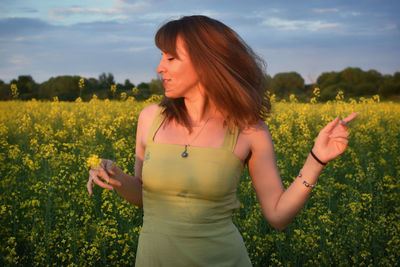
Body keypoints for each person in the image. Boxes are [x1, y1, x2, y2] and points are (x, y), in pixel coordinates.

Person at [87, 15, 358, 266]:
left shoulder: (249, 131)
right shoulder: (150, 119)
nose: (160, 68)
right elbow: (145, 197)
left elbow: (278, 217)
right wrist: (115, 175)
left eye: (170, 58)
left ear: (205, 61)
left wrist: (316, 160)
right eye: (161, 58)